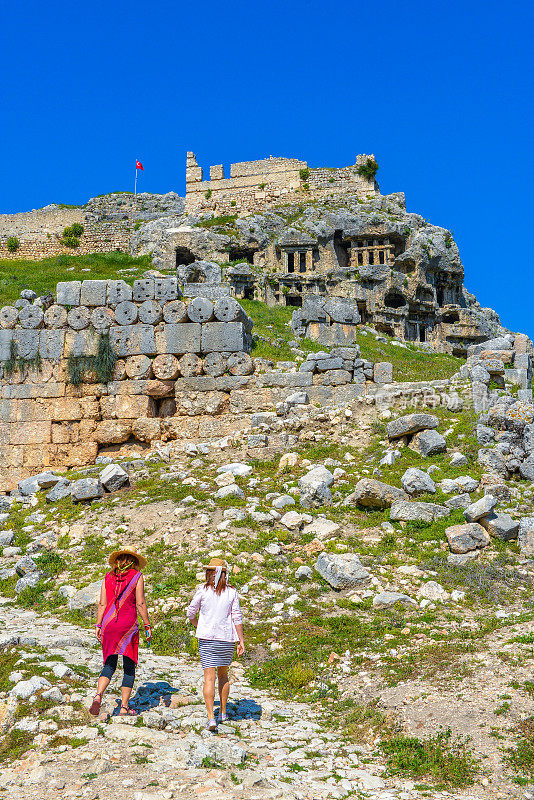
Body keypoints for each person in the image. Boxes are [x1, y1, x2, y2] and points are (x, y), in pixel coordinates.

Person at [89, 548, 151, 717]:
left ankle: (98, 695)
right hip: (128, 627)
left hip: (109, 625)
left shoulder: (107, 577)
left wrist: (98, 625)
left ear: (117, 561)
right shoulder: (137, 577)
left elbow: (102, 604)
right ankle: (124, 707)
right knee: (129, 666)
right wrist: (147, 625)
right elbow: (140, 604)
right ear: (133, 562)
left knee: (109, 664)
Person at [186, 558, 244, 731]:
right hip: (226, 638)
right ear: (224, 574)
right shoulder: (231, 592)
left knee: (209, 678)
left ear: (209, 573)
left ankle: (211, 717)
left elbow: (190, 612)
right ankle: (223, 712)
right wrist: (241, 640)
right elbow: (237, 617)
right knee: (223, 675)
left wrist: (198, 625)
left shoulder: (203, 590)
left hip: (207, 638)